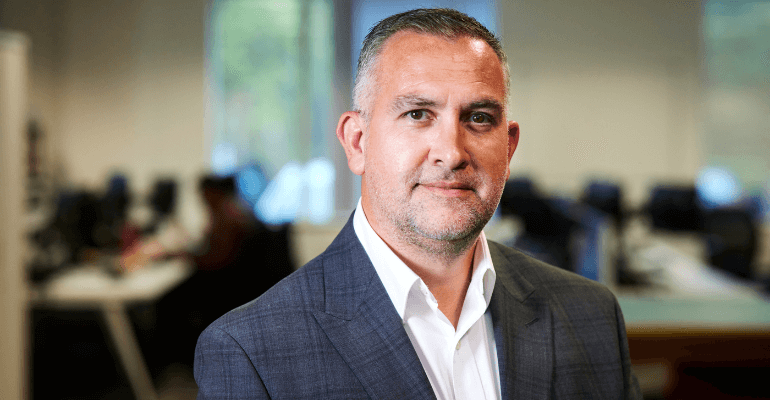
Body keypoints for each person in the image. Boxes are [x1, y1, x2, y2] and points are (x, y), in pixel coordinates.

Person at [194, 8, 641, 399]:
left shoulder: (591, 316)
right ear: (357, 142)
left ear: (508, 147)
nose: (451, 151)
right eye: (417, 114)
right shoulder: (250, 351)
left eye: (479, 118)